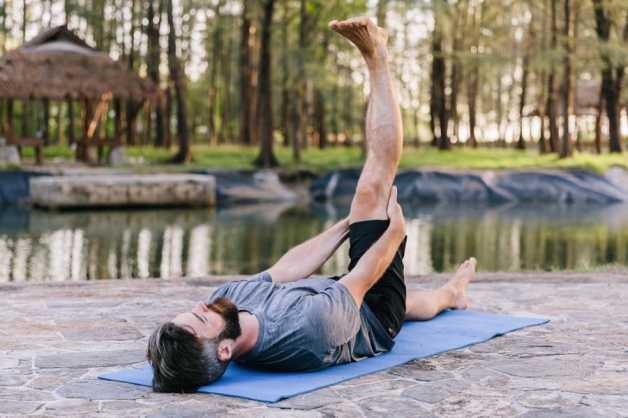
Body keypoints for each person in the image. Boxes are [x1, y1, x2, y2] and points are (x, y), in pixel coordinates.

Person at [146, 16, 477, 393]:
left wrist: (344, 226)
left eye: (192, 311)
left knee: (420, 301)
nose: (202, 307)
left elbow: (286, 269)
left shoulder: (226, 306)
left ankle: (453, 294)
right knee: (373, 184)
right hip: (370, 316)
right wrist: (392, 235)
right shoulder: (307, 330)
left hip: (323, 294)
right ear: (224, 350)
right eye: (199, 320)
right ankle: (377, 57)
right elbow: (363, 279)